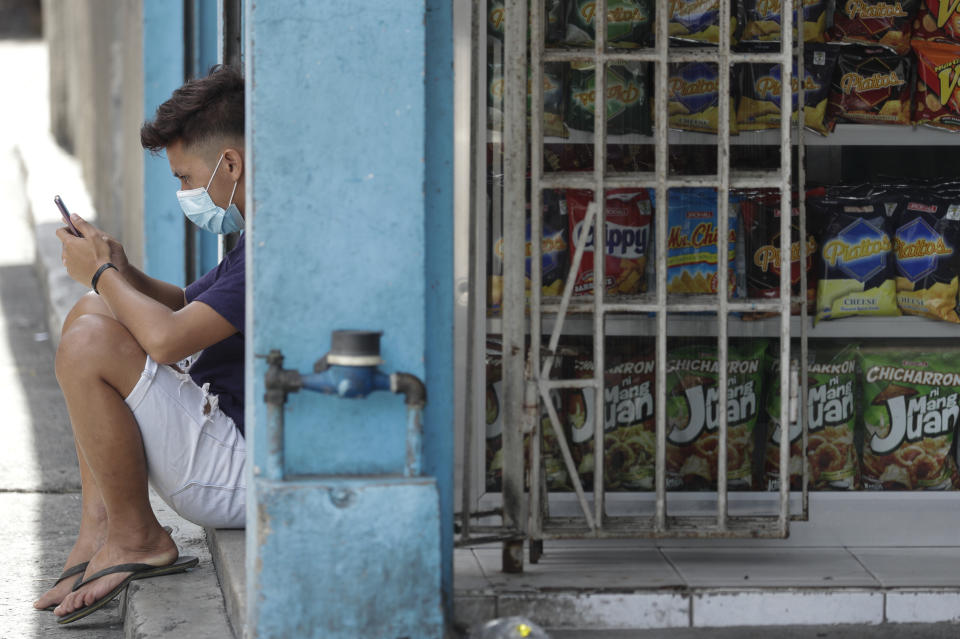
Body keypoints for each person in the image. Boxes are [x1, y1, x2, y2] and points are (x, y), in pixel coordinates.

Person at [33, 65, 248, 625]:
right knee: (90, 311)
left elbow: (168, 340)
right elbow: (181, 304)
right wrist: (121, 270)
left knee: (88, 340)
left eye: (184, 177)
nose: (183, 192)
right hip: (223, 442)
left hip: (237, 474)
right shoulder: (260, 236)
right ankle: (101, 526)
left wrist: (102, 272)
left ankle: (135, 536)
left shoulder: (277, 250)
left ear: (230, 165)